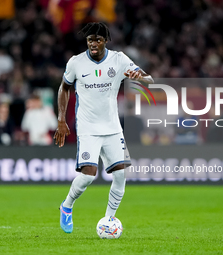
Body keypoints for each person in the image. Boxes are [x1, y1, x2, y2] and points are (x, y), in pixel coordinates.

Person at [54, 22, 154, 233]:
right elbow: (64, 88)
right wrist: (61, 120)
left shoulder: (119, 60)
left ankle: (109, 220)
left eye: (98, 40)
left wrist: (139, 77)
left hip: (112, 127)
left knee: (120, 175)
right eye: (90, 40)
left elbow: (149, 79)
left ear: (105, 41)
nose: (93, 44)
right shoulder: (76, 62)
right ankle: (67, 206)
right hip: (88, 127)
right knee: (89, 175)